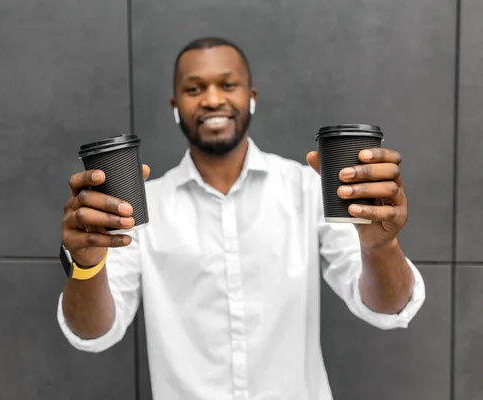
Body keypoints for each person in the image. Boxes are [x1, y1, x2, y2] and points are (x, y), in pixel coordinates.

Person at [57, 37, 426, 400]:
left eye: (228, 84)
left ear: (252, 97)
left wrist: (380, 246)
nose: (213, 98)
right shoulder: (140, 210)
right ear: (175, 105)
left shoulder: (306, 189)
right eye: (194, 88)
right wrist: (86, 266)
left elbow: (388, 308)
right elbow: (94, 333)